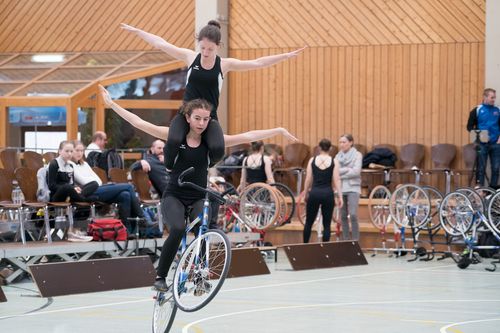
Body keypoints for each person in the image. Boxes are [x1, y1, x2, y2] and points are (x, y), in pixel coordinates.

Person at [99, 85, 297, 291]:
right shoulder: (173, 136)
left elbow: (248, 136)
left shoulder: (211, 142)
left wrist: (279, 130)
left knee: (202, 231)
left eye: (205, 119)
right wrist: (112, 104)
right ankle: (160, 277)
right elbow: (138, 122)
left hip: (198, 195)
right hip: (174, 195)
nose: (201, 123)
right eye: (197, 118)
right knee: (176, 229)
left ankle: (200, 275)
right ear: (187, 118)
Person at [121, 21, 305, 171]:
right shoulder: (190, 57)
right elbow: (161, 44)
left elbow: (257, 63)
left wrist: (285, 56)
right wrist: (138, 31)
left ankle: (202, 165)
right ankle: (169, 167)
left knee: (218, 148)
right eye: (203, 48)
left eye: (210, 49)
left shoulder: (224, 64)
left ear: (218, 46)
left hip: (209, 117)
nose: (206, 53)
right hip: (186, 113)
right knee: (174, 139)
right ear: (198, 44)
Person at [71, 140, 145, 235]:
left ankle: (127, 230)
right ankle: (142, 218)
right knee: (128, 187)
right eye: (77, 150)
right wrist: (92, 182)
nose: (80, 153)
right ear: (71, 151)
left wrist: (92, 182)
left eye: (82, 151)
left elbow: (98, 181)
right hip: (87, 193)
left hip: (96, 188)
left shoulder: (84, 164)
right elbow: (84, 181)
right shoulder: (71, 165)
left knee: (125, 195)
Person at [302, 139, 342, 243]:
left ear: (319, 148)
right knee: (327, 225)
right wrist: (340, 196)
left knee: (309, 223)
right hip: (328, 194)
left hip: (314, 193)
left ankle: (304, 246)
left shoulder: (312, 160)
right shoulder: (334, 161)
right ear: (331, 148)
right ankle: (325, 250)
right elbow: (337, 180)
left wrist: (305, 193)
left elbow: (308, 179)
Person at [466, 88, 500, 188]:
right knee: (480, 168)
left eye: (495, 97)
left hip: (496, 144)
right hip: (481, 145)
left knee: (496, 168)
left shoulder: (498, 110)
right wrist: (481, 136)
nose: (494, 99)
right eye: (492, 97)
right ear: (485, 97)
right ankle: (479, 193)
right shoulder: (476, 110)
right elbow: (469, 127)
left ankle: (492, 193)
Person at [335, 134, 362, 241]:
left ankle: (355, 240)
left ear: (351, 142)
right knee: (343, 215)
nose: (342, 144)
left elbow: (356, 172)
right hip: (340, 188)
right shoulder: (337, 156)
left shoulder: (357, 155)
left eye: (344, 142)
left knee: (353, 214)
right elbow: (335, 172)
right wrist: (347, 169)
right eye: (340, 142)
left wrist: (341, 172)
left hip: (353, 188)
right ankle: (346, 240)